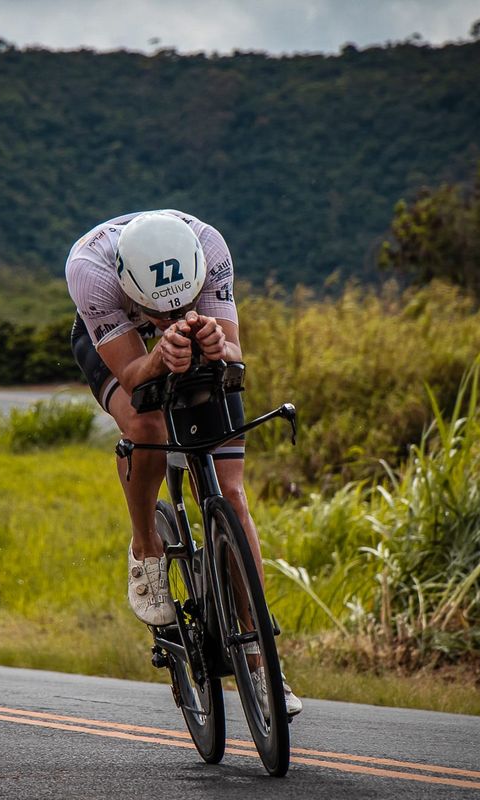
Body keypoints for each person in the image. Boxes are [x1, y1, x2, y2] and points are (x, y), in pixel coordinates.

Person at [66, 209, 302, 716]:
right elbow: (131, 374)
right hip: (117, 339)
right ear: (131, 288)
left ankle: (264, 664)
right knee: (146, 425)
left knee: (232, 496)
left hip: (184, 330)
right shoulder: (91, 270)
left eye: (183, 308)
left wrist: (220, 347)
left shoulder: (209, 246)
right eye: (161, 313)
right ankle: (146, 547)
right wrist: (157, 354)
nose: (173, 320)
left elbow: (234, 354)